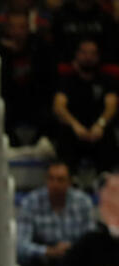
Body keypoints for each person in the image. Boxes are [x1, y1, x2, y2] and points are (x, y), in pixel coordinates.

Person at [52, 40, 118, 175]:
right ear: (77, 55)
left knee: (108, 136)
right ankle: (69, 179)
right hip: (74, 131)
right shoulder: (67, 81)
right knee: (64, 134)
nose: (88, 57)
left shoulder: (106, 80)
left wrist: (100, 124)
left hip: (98, 132)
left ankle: (105, 178)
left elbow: (112, 106)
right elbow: (58, 107)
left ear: (98, 57)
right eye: (84, 53)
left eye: (92, 53)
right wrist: (75, 125)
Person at [16, 160, 95, 266]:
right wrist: (48, 251)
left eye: (60, 180)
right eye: (51, 179)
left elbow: (91, 241)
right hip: (42, 263)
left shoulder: (83, 202)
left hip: (76, 261)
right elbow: (21, 245)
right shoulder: (31, 202)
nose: (55, 184)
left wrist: (72, 249)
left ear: (70, 182)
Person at [0, 9, 55, 146]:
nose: (17, 32)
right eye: (13, 27)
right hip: (11, 100)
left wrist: (23, 52)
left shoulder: (40, 47)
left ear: (29, 28)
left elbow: (46, 80)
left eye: (22, 27)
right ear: (7, 29)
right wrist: (10, 55)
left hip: (35, 99)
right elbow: (1, 84)